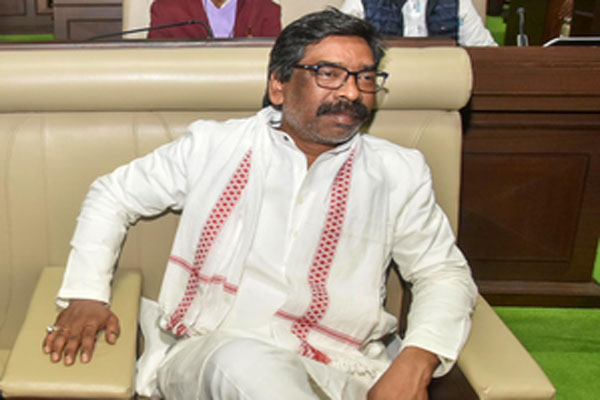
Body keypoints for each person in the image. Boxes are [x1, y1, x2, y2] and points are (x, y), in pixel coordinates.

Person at [43, 8, 477, 399]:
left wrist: (415, 361)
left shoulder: (398, 172)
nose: (351, 92)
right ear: (279, 85)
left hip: (342, 370)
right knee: (244, 363)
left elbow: (442, 272)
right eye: (329, 74)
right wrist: (86, 294)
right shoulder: (213, 146)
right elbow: (112, 194)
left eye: (365, 78)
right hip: (210, 355)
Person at [340, 0, 497, 46]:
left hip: (442, 84)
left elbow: (484, 52)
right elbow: (338, 48)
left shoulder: (458, 3)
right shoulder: (362, 3)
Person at [147, 0, 281, 39]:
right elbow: (155, 64)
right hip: (183, 94)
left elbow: (276, 66)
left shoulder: (266, 10)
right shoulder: (167, 9)